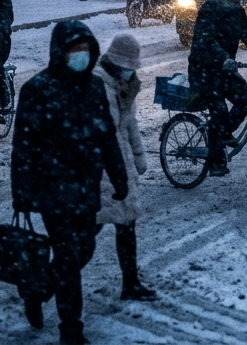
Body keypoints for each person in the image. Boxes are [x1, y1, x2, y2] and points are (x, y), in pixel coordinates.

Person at [11, 21, 129, 344]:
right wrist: (21, 191)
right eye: (73, 50)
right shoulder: (37, 90)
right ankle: (71, 329)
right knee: (67, 255)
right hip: (53, 188)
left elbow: (107, 136)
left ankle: (39, 292)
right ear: (59, 53)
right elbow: (23, 147)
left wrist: (118, 177)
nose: (80, 56)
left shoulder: (92, 87)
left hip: (86, 185)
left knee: (84, 248)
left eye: (85, 50)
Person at [189, 0, 247, 177]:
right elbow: (206, 40)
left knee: (245, 99)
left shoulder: (237, 12)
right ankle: (215, 160)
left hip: (225, 70)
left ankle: (223, 133)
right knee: (218, 109)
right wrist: (223, 57)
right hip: (203, 70)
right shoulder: (209, 10)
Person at [93, 34, 157, 301]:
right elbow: (102, 135)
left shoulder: (122, 85)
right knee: (84, 236)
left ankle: (130, 283)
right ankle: (46, 285)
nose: (132, 70)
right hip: (101, 170)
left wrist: (139, 158)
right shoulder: (100, 86)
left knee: (126, 226)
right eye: (129, 65)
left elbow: (129, 124)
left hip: (119, 168)